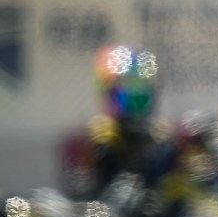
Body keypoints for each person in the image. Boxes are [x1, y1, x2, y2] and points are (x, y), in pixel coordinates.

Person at [69, 45, 172, 200]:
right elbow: (82, 193)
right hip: (109, 213)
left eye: (141, 87)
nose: (134, 96)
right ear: (108, 91)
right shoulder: (94, 141)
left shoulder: (163, 141)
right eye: (124, 89)